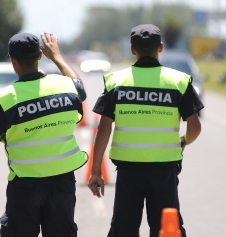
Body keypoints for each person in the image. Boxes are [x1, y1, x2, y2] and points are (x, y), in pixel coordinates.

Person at [0, 32, 88, 237]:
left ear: (12, 59)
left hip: (26, 185)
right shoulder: (66, 87)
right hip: (62, 183)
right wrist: (57, 57)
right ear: (40, 56)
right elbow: (79, 86)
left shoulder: (6, 99)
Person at [87, 24, 203, 237]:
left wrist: (95, 171)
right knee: (166, 228)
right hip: (164, 172)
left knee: (124, 229)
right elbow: (195, 127)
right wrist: (183, 141)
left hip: (128, 172)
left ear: (133, 50)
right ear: (160, 47)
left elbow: (104, 129)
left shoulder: (116, 82)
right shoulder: (178, 81)